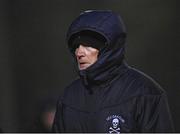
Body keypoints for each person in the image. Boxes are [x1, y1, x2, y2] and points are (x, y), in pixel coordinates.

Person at [52, 10, 174, 133]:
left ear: (109, 48)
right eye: (76, 46)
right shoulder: (68, 97)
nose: (79, 53)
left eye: (88, 45)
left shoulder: (146, 94)